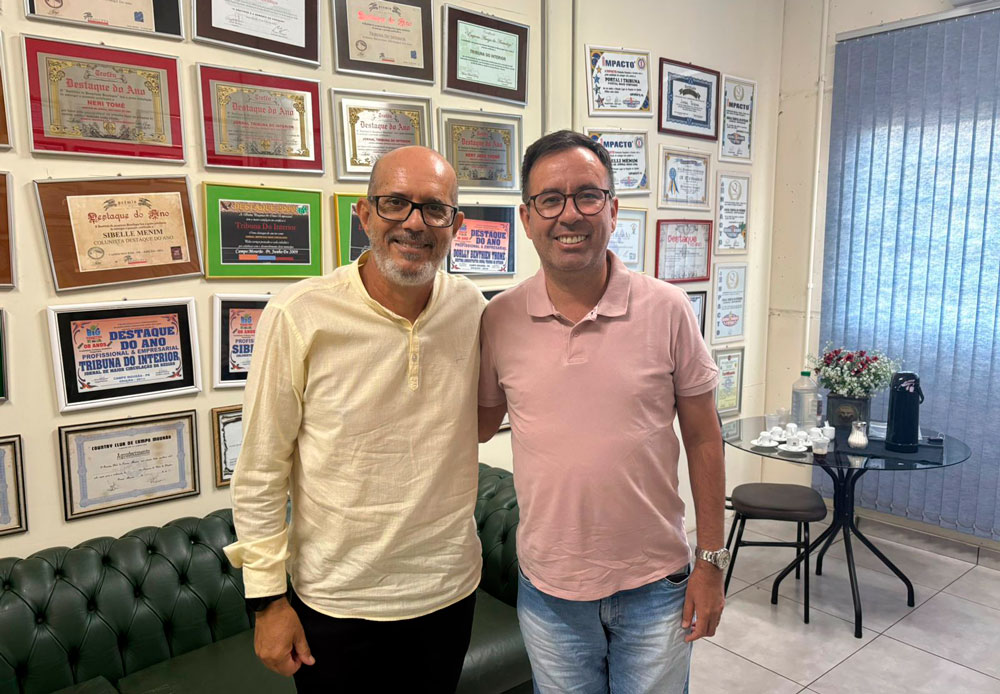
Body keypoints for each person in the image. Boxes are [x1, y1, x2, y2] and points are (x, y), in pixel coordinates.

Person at [224, 146, 486, 693]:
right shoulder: (299, 314)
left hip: (448, 591)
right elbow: (260, 469)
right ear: (364, 214)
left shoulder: (473, 309)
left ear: (455, 225)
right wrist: (268, 600)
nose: (414, 223)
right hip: (336, 602)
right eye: (395, 203)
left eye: (434, 209)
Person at [478, 130, 729, 693]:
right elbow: (476, 424)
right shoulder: (499, 318)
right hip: (549, 592)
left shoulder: (668, 308)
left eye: (587, 195)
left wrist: (711, 562)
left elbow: (704, 437)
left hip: (656, 585)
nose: (569, 214)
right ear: (526, 218)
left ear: (613, 210)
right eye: (550, 199)